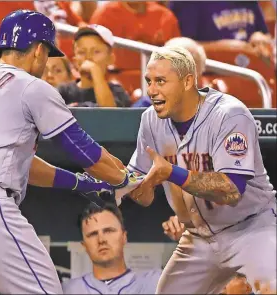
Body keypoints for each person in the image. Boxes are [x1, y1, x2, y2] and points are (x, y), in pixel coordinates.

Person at [0, 10, 140, 294]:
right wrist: (124, 181)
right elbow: (84, 151)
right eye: (46, 54)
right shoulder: (29, 86)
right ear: (39, 50)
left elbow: (24, 165)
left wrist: (78, 182)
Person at [127, 46, 276, 294]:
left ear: (188, 81)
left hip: (251, 228)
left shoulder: (229, 114)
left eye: (161, 81)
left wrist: (173, 173)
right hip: (199, 237)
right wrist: (114, 184)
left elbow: (231, 189)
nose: (151, 90)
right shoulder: (150, 121)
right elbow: (136, 179)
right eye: (149, 81)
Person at [62, 203, 162, 294]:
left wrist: (178, 239)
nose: (101, 240)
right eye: (93, 234)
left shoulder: (156, 282)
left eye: (108, 231)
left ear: (124, 237)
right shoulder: (67, 290)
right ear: (84, 245)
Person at [168, 1, 273, 61]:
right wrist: (228, 49)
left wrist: (260, 36)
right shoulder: (188, 3)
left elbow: (265, 35)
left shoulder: (249, 2)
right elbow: (180, 49)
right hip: (212, 75)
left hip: (252, 72)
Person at [58, 24, 130, 107]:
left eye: (96, 51)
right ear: (75, 61)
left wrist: (95, 71)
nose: (88, 57)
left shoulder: (117, 92)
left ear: (110, 59)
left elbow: (110, 115)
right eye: (82, 52)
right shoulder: (63, 92)